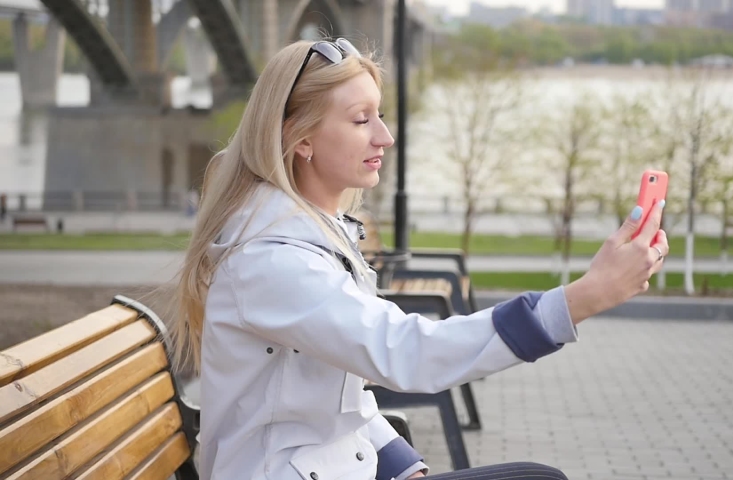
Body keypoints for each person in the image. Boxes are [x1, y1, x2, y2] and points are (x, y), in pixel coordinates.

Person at [168, 38, 670, 480]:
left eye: (379, 115)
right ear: (300, 140)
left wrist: (403, 465)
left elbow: (347, 393)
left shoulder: (309, 238)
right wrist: (582, 298)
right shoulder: (274, 264)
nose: (384, 137)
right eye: (362, 120)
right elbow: (408, 353)